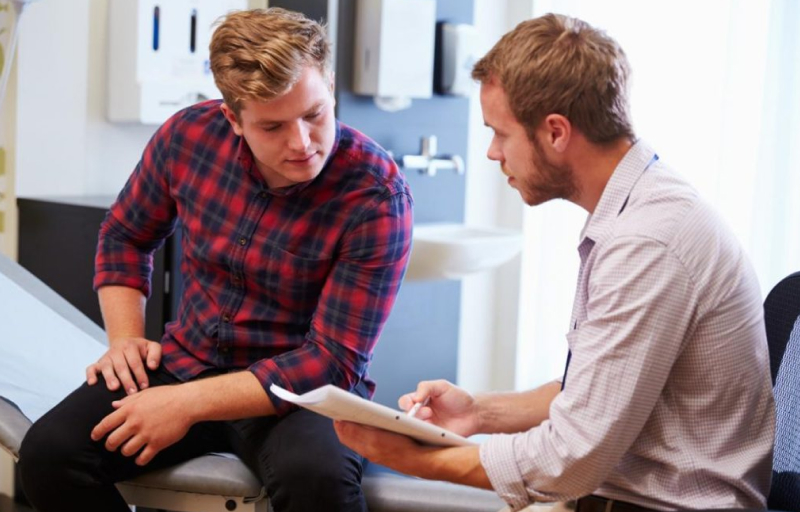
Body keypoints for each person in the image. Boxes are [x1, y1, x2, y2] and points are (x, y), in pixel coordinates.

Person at [335, 13, 775, 512]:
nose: (491, 153)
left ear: (557, 132)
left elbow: (570, 458)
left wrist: (416, 460)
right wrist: (477, 412)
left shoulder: (649, 241)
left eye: (501, 134)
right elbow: (593, 396)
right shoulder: (637, 209)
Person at [18, 8, 413, 512]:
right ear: (232, 118)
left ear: (330, 87)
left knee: (317, 482)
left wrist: (183, 405)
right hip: (187, 361)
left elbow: (330, 361)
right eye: (272, 126)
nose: (302, 143)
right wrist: (126, 341)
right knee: (50, 456)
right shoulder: (189, 137)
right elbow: (125, 234)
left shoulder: (376, 195)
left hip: (301, 393)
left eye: (314, 113)